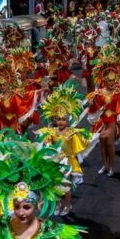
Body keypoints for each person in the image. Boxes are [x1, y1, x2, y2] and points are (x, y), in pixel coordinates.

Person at [35, 82, 96, 216]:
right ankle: (57, 204)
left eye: (63, 119)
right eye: (58, 119)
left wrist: (97, 135)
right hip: (55, 162)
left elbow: (84, 140)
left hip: (68, 162)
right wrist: (44, 139)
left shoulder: (72, 132)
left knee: (66, 186)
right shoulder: (52, 131)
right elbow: (44, 139)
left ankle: (67, 205)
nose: (61, 122)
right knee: (55, 184)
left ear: (68, 120)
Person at [86, 47, 120, 177]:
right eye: (109, 80)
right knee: (102, 145)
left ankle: (112, 168)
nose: (112, 82)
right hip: (102, 122)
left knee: (109, 144)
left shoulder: (118, 92)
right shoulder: (98, 93)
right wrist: (92, 103)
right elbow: (94, 108)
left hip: (112, 123)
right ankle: (105, 165)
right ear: (104, 80)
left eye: (114, 79)